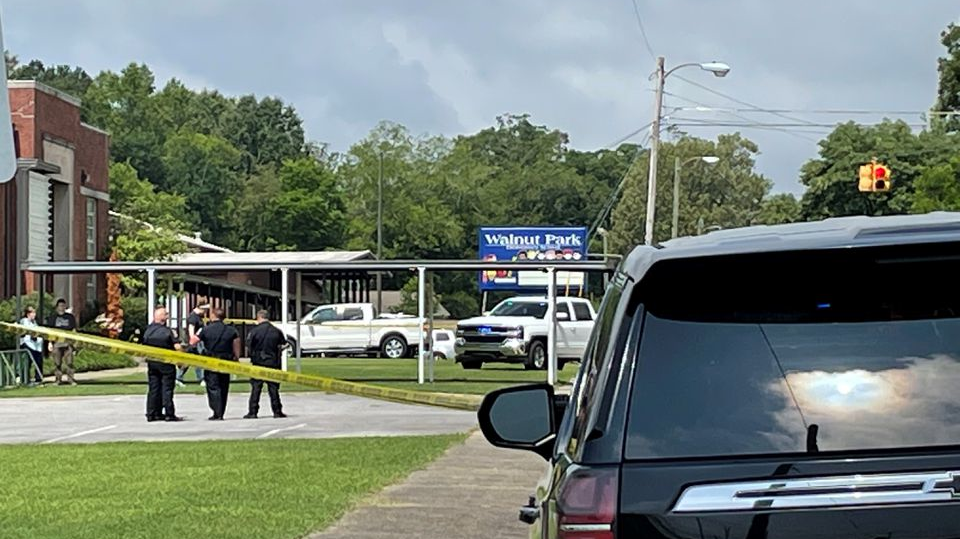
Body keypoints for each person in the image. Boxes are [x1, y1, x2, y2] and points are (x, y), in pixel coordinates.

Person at [142, 307, 184, 422]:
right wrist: (181, 361)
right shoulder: (168, 331)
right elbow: (177, 347)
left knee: (153, 388)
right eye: (166, 314)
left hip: (152, 363)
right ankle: (169, 413)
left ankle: (152, 413)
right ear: (162, 318)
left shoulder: (148, 331)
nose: (168, 316)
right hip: (166, 364)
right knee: (167, 389)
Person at [244, 310, 287, 419]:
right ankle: (277, 411)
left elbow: (249, 346)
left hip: (258, 362)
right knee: (273, 389)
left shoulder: (254, 331)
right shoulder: (276, 331)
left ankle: (253, 412)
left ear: (259, 317)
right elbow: (283, 345)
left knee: (256, 388)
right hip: (273, 362)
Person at [199, 308, 240, 420]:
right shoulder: (231, 330)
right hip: (225, 361)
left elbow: (195, 341)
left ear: (213, 316)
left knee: (213, 387)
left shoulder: (206, 329)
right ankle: (221, 410)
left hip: (210, 361)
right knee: (224, 386)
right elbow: (236, 344)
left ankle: (216, 411)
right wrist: (236, 357)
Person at [45, 299, 78, 386]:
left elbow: (74, 330)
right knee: (57, 363)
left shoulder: (70, 317)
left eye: (63, 306)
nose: (62, 308)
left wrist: (74, 343)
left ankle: (71, 379)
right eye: (60, 306)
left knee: (70, 362)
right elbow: (50, 331)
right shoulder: (53, 318)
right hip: (57, 343)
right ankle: (58, 380)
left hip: (68, 343)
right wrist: (50, 343)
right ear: (57, 307)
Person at [177, 303, 208, 387]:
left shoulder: (198, 317)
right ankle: (199, 379)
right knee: (193, 361)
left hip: (196, 343)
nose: (206, 312)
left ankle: (179, 378)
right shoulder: (193, 317)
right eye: (205, 310)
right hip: (193, 343)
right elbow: (191, 330)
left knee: (192, 361)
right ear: (200, 308)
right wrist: (193, 342)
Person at [18, 307, 44, 385]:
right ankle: (24, 379)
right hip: (28, 344)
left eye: (35, 313)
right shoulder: (24, 321)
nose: (34, 315)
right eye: (32, 313)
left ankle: (38, 379)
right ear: (28, 314)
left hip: (36, 346)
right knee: (27, 362)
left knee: (38, 362)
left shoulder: (35, 322)